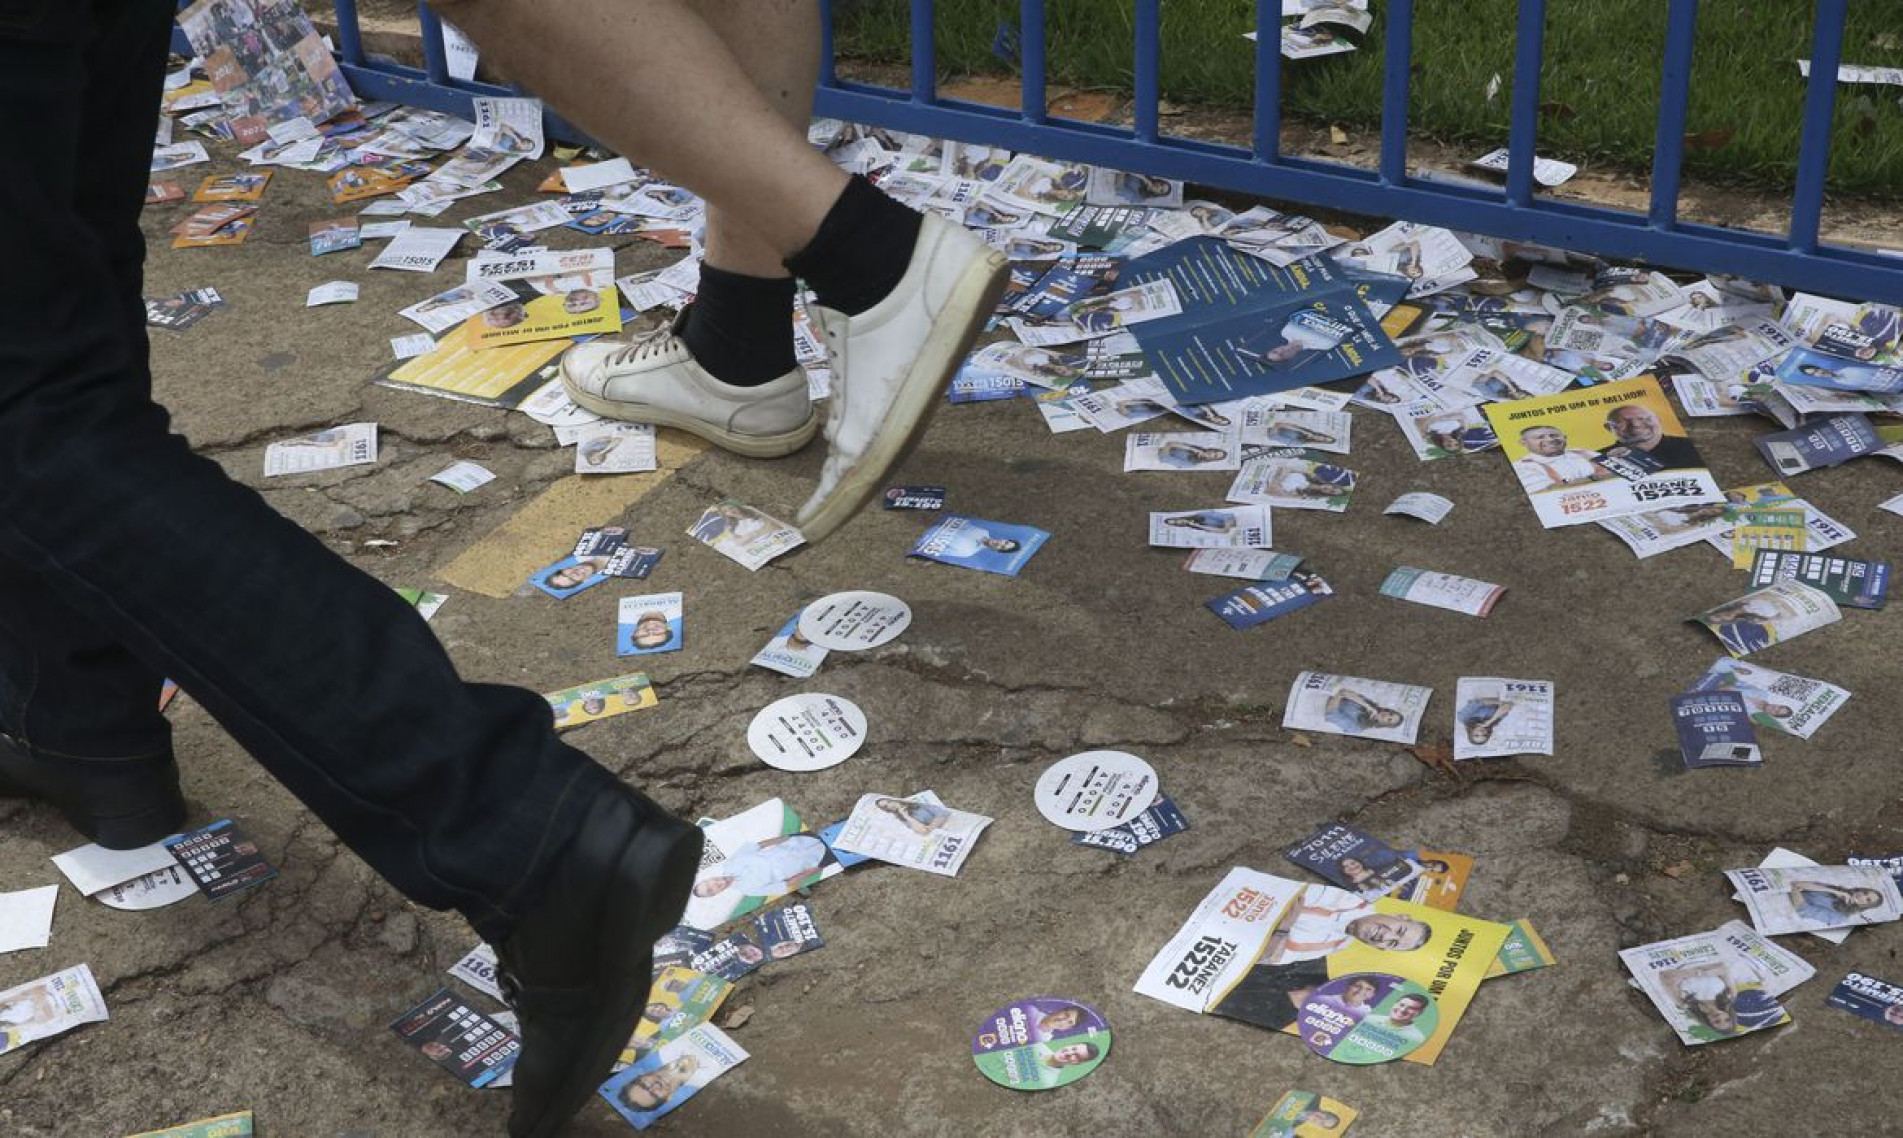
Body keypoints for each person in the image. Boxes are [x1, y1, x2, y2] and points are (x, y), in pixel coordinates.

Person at [690, 834, 830, 899]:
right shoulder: (749, 890)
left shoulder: (730, 863)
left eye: (708, 883)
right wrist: (816, 868)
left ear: (708, 878)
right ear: (716, 894)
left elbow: (760, 845)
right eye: (710, 890)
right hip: (812, 860)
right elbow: (786, 884)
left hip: (799, 842)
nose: (713, 885)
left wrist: (789, 837)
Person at [1603, 403, 1702, 470]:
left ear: (1658, 420)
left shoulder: (1693, 447)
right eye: (1623, 422)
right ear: (1608, 427)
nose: (1635, 425)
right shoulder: (1599, 458)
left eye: (1643, 418)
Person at [1512, 425, 1610, 492]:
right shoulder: (1522, 466)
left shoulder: (1582, 452)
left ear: (1565, 438)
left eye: (1554, 435)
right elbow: (1547, 491)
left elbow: (1616, 468)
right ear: (1523, 443)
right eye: (1540, 437)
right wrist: (1596, 477)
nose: (1550, 439)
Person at [618, 1053, 700, 1112]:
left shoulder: (663, 1050)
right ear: (669, 1098)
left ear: (642, 1075)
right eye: (654, 1095)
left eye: (644, 1085)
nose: (654, 1086)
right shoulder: (700, 1086)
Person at [1787, 880, 1889, 926]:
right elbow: (1800, 883)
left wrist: (1795, 888)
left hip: (1786, 905)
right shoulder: (1838, 890)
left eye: (1868, 900)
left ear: (1866, 906)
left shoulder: (1840, 917)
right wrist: (1834, 891)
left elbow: (1803, 909)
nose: (1862, 896)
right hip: (1787, 889)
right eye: (1865, 892)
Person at [1324, 688, 1404, 734]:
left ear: (1384, 724)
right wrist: (1367, 706)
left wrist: (1339, 696)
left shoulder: (1358, 727)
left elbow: (1330, 712)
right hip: (1323, 694)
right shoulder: (1368, 704)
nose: (1386, 715)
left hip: (1316, 709)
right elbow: (1344, 692)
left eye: (1389, 719)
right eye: (1390, 713)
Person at [1305, 976, 1379, 1020]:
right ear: (1348, 986)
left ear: (1372, 995)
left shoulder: (1369, 1015)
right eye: (1357, 986)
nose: (1361, 991)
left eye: (1368, 989)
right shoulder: (1322, 1000)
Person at [875, 795, 951, 835]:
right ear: (887, 809)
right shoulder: (904, 820)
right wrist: (906, 815)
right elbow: (923, 831)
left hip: (949, 824)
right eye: (886, 806)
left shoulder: (915, 804)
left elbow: (943, 813)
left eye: (888, 802)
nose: (890, 805)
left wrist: (930, 828)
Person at [1163, 512, 1237, 534]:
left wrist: (1226, 528)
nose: (1179, 522)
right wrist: (1198, 526)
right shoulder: (1195, 528)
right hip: (1234, 529)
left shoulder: (1200, 515)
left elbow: (1228, 517)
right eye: (1176, 524)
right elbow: (1215, 531)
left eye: (1176, 521)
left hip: (1237, 520)